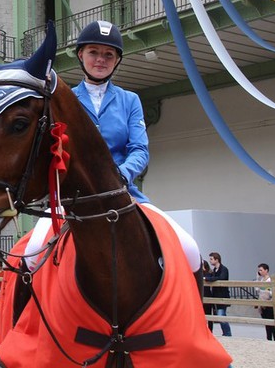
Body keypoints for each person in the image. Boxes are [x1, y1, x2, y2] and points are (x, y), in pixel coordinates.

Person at [72, 21, 201, 275]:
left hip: (123, 191)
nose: (101, 59)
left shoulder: (130, 100)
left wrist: (120, 174)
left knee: (190, 249)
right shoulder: (66, 99)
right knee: (30, 255)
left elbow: (140, 149)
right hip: (74, 196)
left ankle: (192, 314)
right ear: (81, 55)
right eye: (94, 52)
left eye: (109, 54)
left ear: (117, 60)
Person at [203, 252, 231, 337]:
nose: (210, 261)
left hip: (222, 296)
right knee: (221, 316)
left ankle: (227, 333)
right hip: (216, 296)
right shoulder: (215, 270)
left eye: (211, 259)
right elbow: (210, 276)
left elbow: (221, 278)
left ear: (216, 259)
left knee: (221, 315)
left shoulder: (224, 269)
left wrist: (208, 278)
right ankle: (225, 333)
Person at [255, 263, 275, 341]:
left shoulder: (269, 280)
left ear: (266, 270)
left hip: (269, 304)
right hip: (262, 304)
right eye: (259, 270)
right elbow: (257, 290)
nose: (260, 271)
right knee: (267, 324)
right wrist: (257, 278)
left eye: (261, 270)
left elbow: (271, 292)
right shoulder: (261, 280)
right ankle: (269, 338)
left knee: (271, 323)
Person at [201, 259, 214, 332]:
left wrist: (203, 269)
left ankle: (210, 330)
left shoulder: (209, 273)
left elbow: (209, 278)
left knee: (209, 314)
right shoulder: (201, 274)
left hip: (207, 295)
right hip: (203, 296)